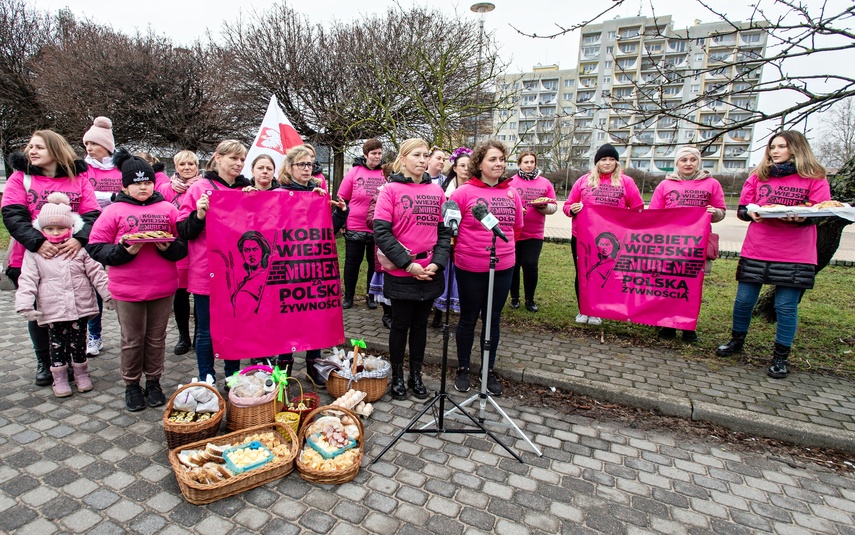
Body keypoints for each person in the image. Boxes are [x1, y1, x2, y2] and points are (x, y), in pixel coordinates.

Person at [716, 131, 830, 379]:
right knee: (744, 301)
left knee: (785, 306)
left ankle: (780, 356)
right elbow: (744, 209)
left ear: (796, 149)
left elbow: (821, 211)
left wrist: (802, 216)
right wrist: (751, 213)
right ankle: (736, 340)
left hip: (795, 252)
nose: (774, 151)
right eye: (772, 147)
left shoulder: (814, 177)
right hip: (758, 247)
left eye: (781, 147)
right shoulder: (758, 176)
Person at [87, 150, 187, 411]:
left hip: (163, 286)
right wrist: (121, 252)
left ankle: (154, 381)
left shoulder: (167, 208)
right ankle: (132, 385)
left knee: (156, 338)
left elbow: (183, 244)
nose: (143, 187)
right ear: (124, 185)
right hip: (127, 289)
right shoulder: (114, 211)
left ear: (154, 182)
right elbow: (96, 246)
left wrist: (169, 248)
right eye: (136, 182)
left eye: (147, 182)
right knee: (132, 339)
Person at [1, 130, 101, 388]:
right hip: (30, 256)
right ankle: (46, 362)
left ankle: (72, 361)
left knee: (72, 310)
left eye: (39, 147)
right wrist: (38, 243)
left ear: (56, 151)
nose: (31, 151)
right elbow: (13, 215)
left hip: (70, 255)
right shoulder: (20, 178)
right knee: (43, 311)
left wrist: (79, 239)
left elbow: (92, 213)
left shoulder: (78, 178)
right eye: (30, 146)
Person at [373, 139, 451, 400]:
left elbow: (444, 232)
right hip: (402, 271)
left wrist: (436, 264)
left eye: (425, 155)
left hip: (429, 271)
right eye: (416, 155)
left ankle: (415, 375)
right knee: (400, 325)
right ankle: (396, 376)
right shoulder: (390, 190)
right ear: (403, 158)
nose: (422, 159)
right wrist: (409, 265)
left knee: (420, 327)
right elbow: (382, 232)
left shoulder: (437, 192)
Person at [15, 193, 112, 398]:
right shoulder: (34, 253)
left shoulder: (81, 249)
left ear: (71, 228)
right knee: (56, 344)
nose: (55, 232)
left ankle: (81, 374)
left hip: (79, 306)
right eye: (49, 228)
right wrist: (25, 303)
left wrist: (108, 295)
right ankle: (58, 377)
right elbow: (28, 278)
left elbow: (97, 272)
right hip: (53, 308)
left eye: (61, 228)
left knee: (79, 343)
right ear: (41, 229)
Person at [450, 140, 524, 396]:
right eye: (493, 159)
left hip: (503, 266)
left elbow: (517, 228)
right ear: (479, 163)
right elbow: (451, 230)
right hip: (470, 266)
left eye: (502, 159)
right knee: (469, 318)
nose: (499, 164)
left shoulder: (512, 193)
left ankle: (487, 370)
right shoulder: (463, 193)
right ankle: (462, 368)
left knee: (492, 319)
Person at [177, 140, 251, 386]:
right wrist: (198, 215)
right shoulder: (199, 188)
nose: (239, 164)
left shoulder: (246, 190)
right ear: (218, 158)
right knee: (206, 330)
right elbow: (183, 229)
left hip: (238, 272)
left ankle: (233, 375)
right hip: (206, 270)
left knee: (235, 327)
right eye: (234, 158)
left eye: (242, 160)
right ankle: (206, 375)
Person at [271, 145, 346, 386]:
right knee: (287, 320)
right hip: (288, 267)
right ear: (290, 167)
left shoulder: (318, 194)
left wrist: (341, 214)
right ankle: (284, 368)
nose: (307, 169)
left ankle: (314, 365)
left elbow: (327, 232)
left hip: (313, 267)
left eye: (310, 164)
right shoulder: (278, 193)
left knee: (313, 317)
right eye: (301, 164)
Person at [648, 146, 727, 342]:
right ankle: (666, 324)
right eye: (684, 160)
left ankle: (688, 325)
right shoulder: (665, 186)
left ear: (698, 162)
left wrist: (715, 213)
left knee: (691, 286)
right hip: (670, 243)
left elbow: (721, 211)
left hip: (696, 245)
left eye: (693, 159)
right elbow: (654, 213)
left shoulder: (712, 184)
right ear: (677, 163)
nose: (688, 163)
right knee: (667, 284)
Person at [563, 144, 643, 326]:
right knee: (583, 273)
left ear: (617, 162)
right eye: (603, 159)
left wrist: (625, 224)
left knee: (605, 273)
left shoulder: (626, 182)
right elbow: (567, 206)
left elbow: (637, 209)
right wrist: (572, 209)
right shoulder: (583, 181)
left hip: (612, 240)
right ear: (597, 162)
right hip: (583, 237)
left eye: (612, 159)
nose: (607, 163)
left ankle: (597, 310)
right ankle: (584, 309)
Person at [81, 117, 121, 357]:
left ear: (107, 145)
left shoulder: (119, 167)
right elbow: (84, 197)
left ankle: (129, 329)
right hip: (90, 231)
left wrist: (108, 198)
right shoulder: (82, 168)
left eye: (94, 143)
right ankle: (94, 334)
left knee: (117, 283)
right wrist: (110, 197)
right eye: (87, 144)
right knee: (93, 286)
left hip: (118, 232)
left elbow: (128, 193)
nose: (89, 148)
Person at [157, 150, 202, 355]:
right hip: (177, 247)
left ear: (197, 166)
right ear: (176, 167)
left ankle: (199, 335)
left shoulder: (203, 187)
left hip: (198, 248)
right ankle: (184, 336)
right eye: (182, 164)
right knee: (181, 295)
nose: (187, 168)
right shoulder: (165, 189)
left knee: (200, 295)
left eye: (191, 164)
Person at [338, 139, 386, 310]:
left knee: (374, 263)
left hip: (377, 225)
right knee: (352, 262)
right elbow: (342, 198)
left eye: (379, 153)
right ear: (365, 155)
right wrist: (342, 220)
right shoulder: (354, 172)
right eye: (373, 153)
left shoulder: (385, 173)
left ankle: (370, 296)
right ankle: (349, 296)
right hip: (355, 224)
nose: (377, 157)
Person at [508, 151, 558, 313]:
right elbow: (504, 203)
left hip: (535, 232)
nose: (529, 165)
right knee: (513, 266)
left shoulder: (545, 183)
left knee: (530, 264)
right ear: (519, 164)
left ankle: (530, 299)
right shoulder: (511, 182)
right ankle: (514, 297)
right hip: (514, 231)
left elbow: (554, 206)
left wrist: (544, 207)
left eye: (532, 162)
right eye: (525, 162)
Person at [431, 147, 472, 328]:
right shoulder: (444, 188)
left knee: (462, 277)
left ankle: (464, 312)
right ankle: (438, 312)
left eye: (469, 166)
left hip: (467, 238)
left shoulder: (474, 188)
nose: (465, 169)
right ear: (454, 167)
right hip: (447, 237)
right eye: (462, 165)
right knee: (445, 274)